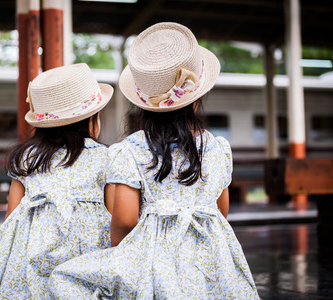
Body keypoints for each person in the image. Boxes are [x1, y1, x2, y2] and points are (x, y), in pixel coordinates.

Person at [49, 22, 260, 299]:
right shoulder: (218, 148)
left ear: (142, 102)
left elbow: (124, 220)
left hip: (153, 262)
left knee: (62, 278)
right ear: (197, 99)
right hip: (213, 261)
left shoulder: (130, 150)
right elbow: (220, 211)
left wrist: (123, 261)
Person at [0, 63, 114, 299]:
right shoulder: (106, 158)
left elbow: (10, 220)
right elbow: (114, 216)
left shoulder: (27, 158)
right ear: (91, 120)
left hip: (30, 264)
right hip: (86, 264)